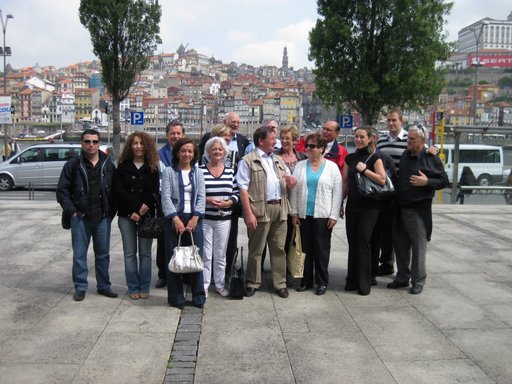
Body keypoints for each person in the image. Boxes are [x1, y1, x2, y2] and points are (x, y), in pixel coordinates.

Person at [56, 129, 118, 302]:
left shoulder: (108, 164)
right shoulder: (73, 164)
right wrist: (72, 211)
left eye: (95, 142)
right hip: (80, 217)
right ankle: (80, 287)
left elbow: (114, 191)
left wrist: (110, 213)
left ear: (99, 143)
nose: (91, 145)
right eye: (87, 141)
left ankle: (104, 286)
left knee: (103, 255)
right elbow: (62, 191)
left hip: (102, 217)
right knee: (79, 254)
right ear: (81, 143)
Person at [387, 125, 448, 294]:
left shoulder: (430, 157)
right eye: (408, 138)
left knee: (419, 248)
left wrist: (427, 182)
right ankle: (402, 277)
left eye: (412, 139)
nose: (408, 142)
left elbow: (444, 181)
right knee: (400, 246)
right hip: (400, 207)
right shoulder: (406, 155)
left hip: (418, 210)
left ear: (422, 141)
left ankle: (418, 280)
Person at [237, 126, 296, 299]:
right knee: (256, 249)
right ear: (261, 141)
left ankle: (280, 283)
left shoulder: (277, 159)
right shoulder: (248, 160)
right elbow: (242, 189)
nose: (276, 142)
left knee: (279, 249)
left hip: (280, 208)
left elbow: (288, 181)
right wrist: (248, 213)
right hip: (260, 209)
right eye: (272, 139)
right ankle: (252, 282)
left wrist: (292, 182)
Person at [199, 112, 249, 281]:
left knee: (227, 243)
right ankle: (207, 279)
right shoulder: (202, 165)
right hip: (207, 212)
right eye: (223, 137)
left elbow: (238, 184)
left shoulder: (241, 144)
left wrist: (231, 202)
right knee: (206, 249)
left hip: (228, 208)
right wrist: (205, 200)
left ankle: (224, 274)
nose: (226, 140)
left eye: (227, 137)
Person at [290, 132, 342, 295]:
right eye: (307, 146)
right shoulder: (300, 166)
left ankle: (321, 281)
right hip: (304, 214)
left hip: (323, 215)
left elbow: (338, 192)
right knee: (306, 249)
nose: (308, 149)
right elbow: (294, 191)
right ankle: (306, 280)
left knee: (321, 249)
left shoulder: (332, 167)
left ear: (321, 148)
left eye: (312, 146)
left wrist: (334, 215)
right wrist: (294, 212)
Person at [113, 132, 160, 300]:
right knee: (130, 253)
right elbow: (118, 191)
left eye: (141, 143)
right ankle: (133, 286)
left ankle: (144, 286)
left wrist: (143, 209)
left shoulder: (153, 167)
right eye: (135, 143)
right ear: (130, 146)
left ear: (146, 146)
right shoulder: (123, 166)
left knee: (145, 254)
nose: (138, 146)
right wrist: (134, 209)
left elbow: (154, 192)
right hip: (127, 215)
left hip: (146, 216)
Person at [161, 138, 206, 309]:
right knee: (174, 259)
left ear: (194, 154)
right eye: (183, 151)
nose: (187, 154)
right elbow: (165, 197)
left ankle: (198, 297)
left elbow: (201, 196)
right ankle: (176, 298)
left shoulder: (199, 172)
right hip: (175, 219)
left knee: (196, 257)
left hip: (195, 219)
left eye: (190, 151)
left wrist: (195, 217)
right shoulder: (168, 172)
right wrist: (175, 218)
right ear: (177, 153)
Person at [342, 126, 387, 296]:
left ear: (370, 139)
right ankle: (352, 280)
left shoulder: (375, 157)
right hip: (353, 205)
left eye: (362, 137)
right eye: (356, 136)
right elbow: (345, 182)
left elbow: (382, 180)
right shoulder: (350, 158)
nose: (358, 140)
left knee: (363, 242)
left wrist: (365, 170)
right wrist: (340, 203)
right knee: (353, 242)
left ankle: (364, 282)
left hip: (370, 207)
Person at [200, 137, 239, 297]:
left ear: (224, 153)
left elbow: (236, 193)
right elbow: (196, 194)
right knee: (206, 254)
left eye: (220, 149)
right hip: (205, 218)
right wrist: (208, 200)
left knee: (221, 254)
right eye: (214, 149)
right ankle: (204, 285)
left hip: (224, 219)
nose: (217, 152)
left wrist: (228, 202)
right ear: (208, 152)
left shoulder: (230, 171)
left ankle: (220, 284)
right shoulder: (200, 170)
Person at [274, 125, 307, 281]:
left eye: (288, 138)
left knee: (298, 238)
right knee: (282, 240)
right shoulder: (274, 156)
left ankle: (296, 267)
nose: (285, 141)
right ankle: (282, 272)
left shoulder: (302, 157)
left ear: (295, 140)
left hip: (299, 203)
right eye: (283, 138)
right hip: (280, 202)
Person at [155, 120, 185, 289]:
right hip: (165, 203)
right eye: (172, 133)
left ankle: (185, 272)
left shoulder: (189, 152)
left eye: (178, 133)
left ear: (183, 135)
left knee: (185, 240)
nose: (175, 136)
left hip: (185, 203)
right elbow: (159, 181)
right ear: (167, 136)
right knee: (164, 242)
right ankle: (163, 275)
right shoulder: (159, 155)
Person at [369, 127, 397, 284]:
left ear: (373, 138)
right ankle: (371, 269)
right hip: (367, 205)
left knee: (380, 238)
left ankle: (378, 268)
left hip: (383, 205)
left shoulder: (384, 158)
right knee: (371, 240)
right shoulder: (361, 156)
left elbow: (390, 182)